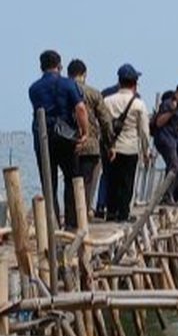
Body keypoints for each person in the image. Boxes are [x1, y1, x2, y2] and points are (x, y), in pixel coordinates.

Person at [29, 49, 88, 228]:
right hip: (65, 136)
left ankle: (52, 223)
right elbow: (80, 109)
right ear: (59, 65)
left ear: (41, 67)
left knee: (49, 182)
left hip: (43, 137)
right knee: (72, 179)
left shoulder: (34, 88)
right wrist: (85, 133)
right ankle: (71, 223)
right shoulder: (69, 85)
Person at [103, 64, 150, 222]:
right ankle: (123, 214)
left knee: (111, 181)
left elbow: (103, 125)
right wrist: (146, 151)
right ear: (135, 83)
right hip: (130, 148)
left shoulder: (107, 101)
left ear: (119, 81)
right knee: (126, 182)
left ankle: (110, 212)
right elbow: (144, 131)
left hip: (111, 148)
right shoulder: (138, 104)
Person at [67, 59, 114, 216]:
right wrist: (110, 144)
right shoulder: (94, 93)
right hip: (90, 145)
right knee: (87, 184)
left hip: (69, 145)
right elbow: (105, 121)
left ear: (68, 74)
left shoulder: (63, 91)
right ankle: (83, 217)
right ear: (85, 74)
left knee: (70, 183)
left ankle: (70, 218)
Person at [152, 83, 178, 204]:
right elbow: (159, 122)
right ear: (176, 92)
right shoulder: (168, 103)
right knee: (174, 166)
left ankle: (168, 195)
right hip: (165, 138)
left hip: (175, 140)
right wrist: (171, 111)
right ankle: (166, 196)